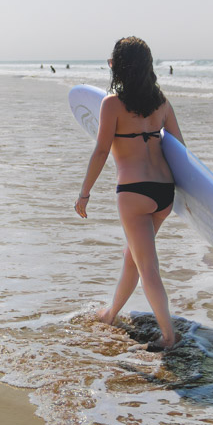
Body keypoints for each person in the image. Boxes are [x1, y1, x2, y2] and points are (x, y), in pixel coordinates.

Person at [74, 37, 185, 350]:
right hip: (164, 193)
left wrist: (84, 193)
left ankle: (168, 336)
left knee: (147, 266)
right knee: (132, 257)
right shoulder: (162, 103)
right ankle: (111, 313)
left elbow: (100, 151)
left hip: (134, 194)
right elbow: (181, 151)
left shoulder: (112, 104)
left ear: (119, 66)